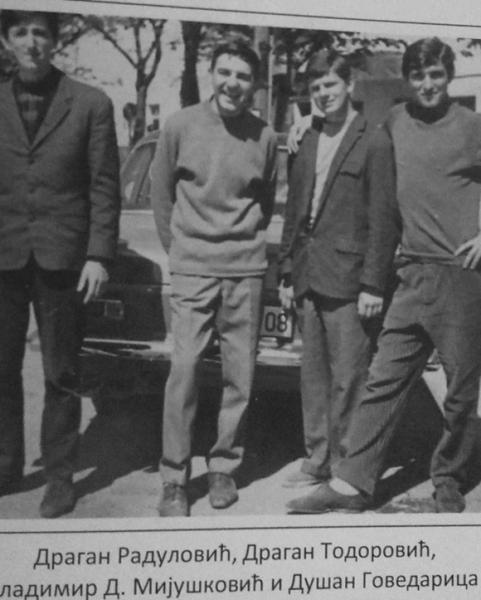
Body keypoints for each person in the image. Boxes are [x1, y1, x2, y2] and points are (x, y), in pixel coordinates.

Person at [287, 37, 481, 514]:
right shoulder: (394, 121)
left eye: (436, 75)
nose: (427, 84)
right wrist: (307, 122)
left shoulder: (472, 126)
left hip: (460, 275)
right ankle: (352, 482)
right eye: (418, 76)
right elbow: (347, 131)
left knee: (460, 389)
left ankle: (449, 477)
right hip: (409, 271)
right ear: (407, 80)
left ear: (449, 76)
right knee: (383, 379)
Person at [0, 10, 120, 517]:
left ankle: (60, 478)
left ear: (55, 41)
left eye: (41, 32)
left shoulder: (90, 103)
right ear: (6, 40)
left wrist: (98, 255)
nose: (31, 42)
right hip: (4, 254)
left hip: (65, 257)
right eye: (21, 32)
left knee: (62, 372)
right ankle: (6, 466)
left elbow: (104, 185)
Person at [151, 41, 277, 517]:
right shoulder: (180, 125)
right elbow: (162, 193)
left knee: (239, 375)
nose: (232, 83)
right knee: (184, 370)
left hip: (244, 269)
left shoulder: (265, 136)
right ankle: (174, 479)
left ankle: (224, 465)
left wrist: (244, 245)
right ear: (211, 73)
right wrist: (180, 250)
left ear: (255, 84)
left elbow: (265, 198)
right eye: (225, 72)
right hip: (193, 267)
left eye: (243, 76)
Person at [278, 49, 385, 490]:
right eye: (316, 87)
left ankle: (345, 468)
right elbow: (295, 209)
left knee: (349, 378)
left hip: (350, 279)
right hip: (309, 275)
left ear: (350, 86)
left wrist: (373, 283)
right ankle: (317, 459)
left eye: (331, 85)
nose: (323, 94)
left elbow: (383, 219)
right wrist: (287, 272)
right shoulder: (305, 138)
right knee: (314, 377)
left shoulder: (374, 139)